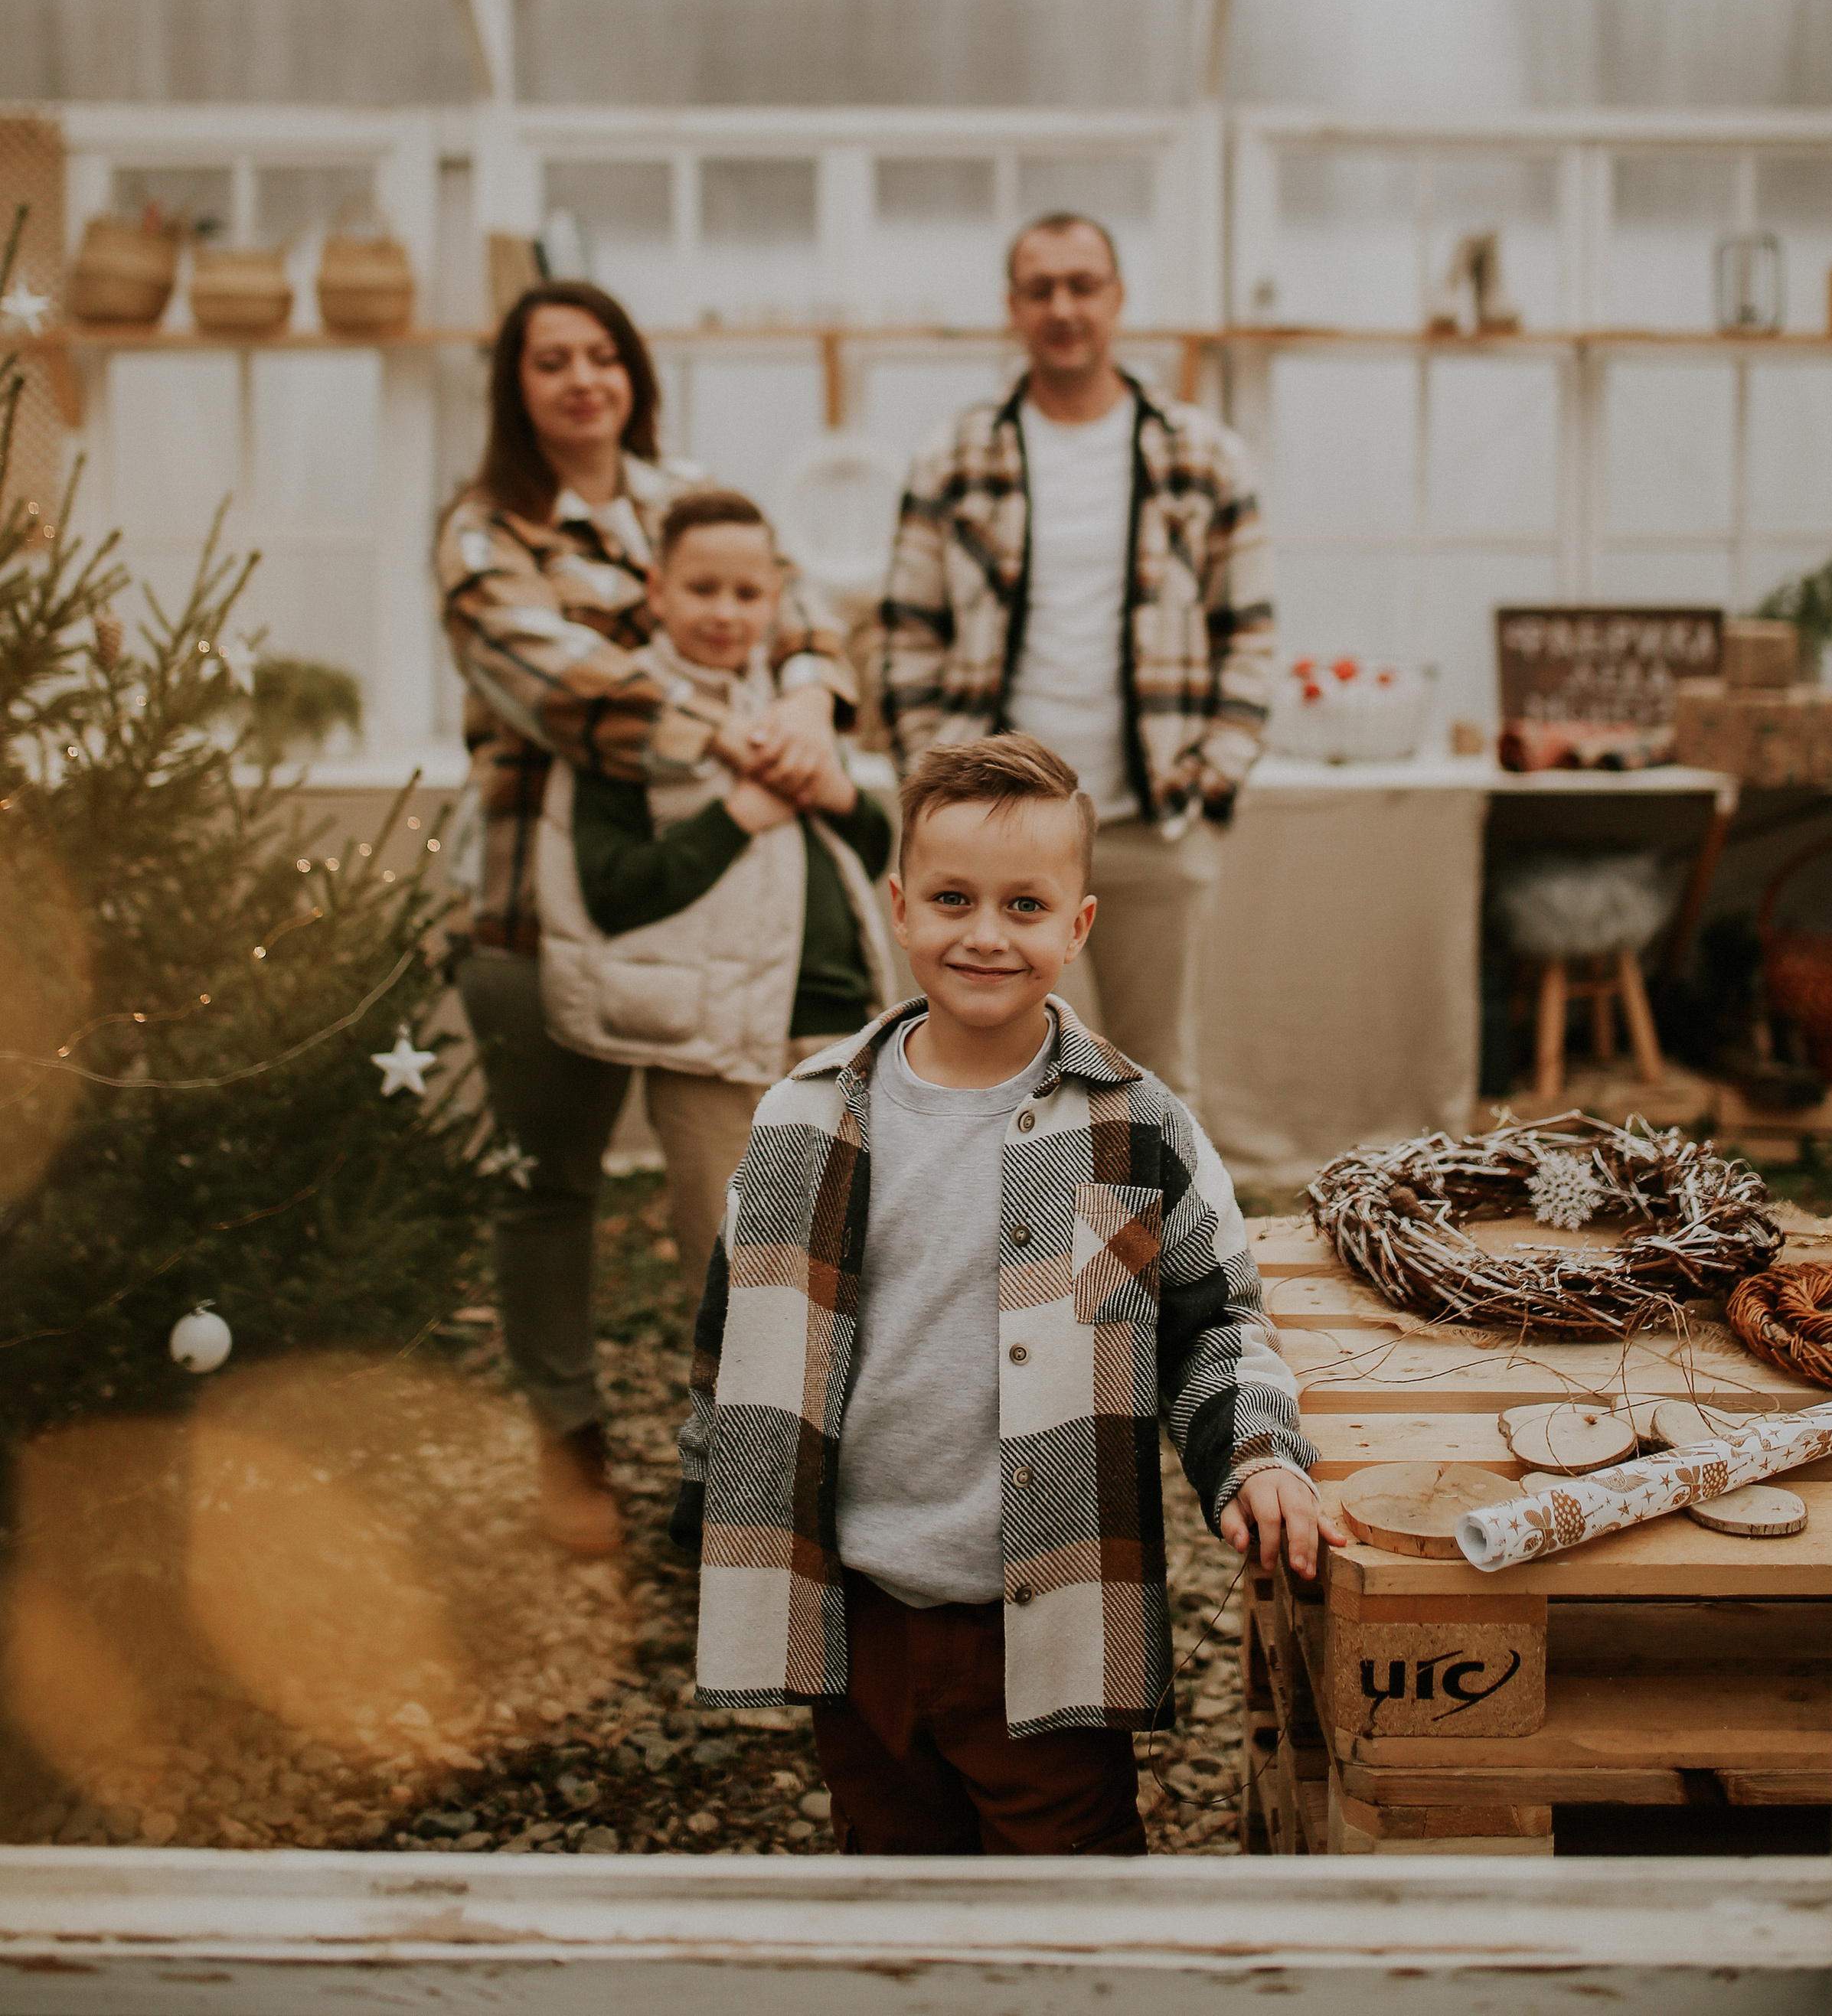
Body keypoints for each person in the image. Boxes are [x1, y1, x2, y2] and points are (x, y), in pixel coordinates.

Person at [671, 732, 1333, 1857]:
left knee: (1067, 1878)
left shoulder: (1132, 1129)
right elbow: (734, 1337)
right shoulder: (803, 1118)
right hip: (862, 1604)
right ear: (899, 906)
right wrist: (708, 1515)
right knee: (892, 1865)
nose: (984, 933)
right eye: (952, 898)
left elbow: (1214, 1318)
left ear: (1077, 925)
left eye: (1025, 904)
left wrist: (1257, 1454)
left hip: (1042, 1602)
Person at [438, 281, 855, 1555]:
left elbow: (805, 613)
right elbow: (562, 680)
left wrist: (817, 696)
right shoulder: (483, 529)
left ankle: (737, 1463)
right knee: (549, 1183)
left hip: (717, 917)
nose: (580, 377)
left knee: (727, 1207)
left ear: (633, 372)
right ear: (515, 382)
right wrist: (754, 736)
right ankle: (567, 1447)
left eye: (601, 354)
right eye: (550, 358)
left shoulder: (689, 492)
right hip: (531, 893)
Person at [877, 210, 1274, 1109]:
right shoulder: (953, 456)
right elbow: (906, 634)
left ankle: (1151, 1249)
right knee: (978, 1062)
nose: (1063, 307)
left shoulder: (1204, 456)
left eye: (1082, 285)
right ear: (1012, 306)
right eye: (1040, 287)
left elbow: (1246, 630)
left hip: (1152, 817)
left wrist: (1213, 781)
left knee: (1150, 1072)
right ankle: (999, 1242)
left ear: (1117, 299)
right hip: (987, 834)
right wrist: (929, 786)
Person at [532, 488, 895, 1272]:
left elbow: (870, 850)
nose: (724, 612)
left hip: (836, 1027)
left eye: (746, 593)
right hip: (712, 1050)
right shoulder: (622, 718)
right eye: (702, 589)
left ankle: (836, 1402)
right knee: (733, 1277)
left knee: (841, 1269)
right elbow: (612, 890)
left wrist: (835, 792)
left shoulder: (792, 706)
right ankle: (737, 1401)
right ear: (657, 592)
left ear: (775, 601)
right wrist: (736, 815)